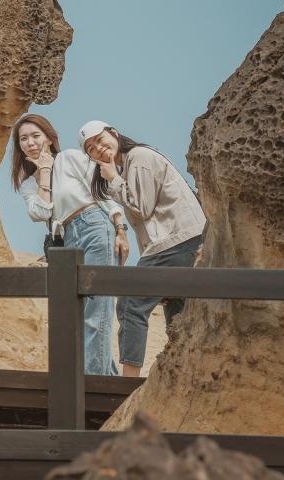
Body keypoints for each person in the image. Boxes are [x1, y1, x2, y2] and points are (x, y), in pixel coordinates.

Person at [80, 120, 206, 377]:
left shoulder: (139, 157)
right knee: (177, 311)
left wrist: (113, 179)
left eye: (100, 140)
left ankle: (128, 384)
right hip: (181, 242)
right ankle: (180, 374)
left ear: (113, 133)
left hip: (177, 241)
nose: (99, 149)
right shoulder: (129, 164)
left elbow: (142, 207)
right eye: (91, 148)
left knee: (130, 303)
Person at [12, 114, 130, 376]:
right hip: (66, 240)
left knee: (97, 310)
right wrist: (43, 170)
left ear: (49, 137)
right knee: (75, 319)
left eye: (36, 136)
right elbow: (41, 212)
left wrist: (120, 228)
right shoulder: (29, 185)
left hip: (94, 225)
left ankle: (92, 387)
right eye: (23, 139)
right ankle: (107, 385)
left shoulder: (70, 158)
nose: (30, 143)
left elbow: (101, 191)